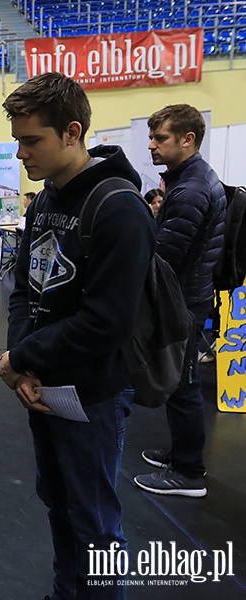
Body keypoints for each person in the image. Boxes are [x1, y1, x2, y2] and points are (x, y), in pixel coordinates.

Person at [0, 72, 155, 599]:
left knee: (95, 523)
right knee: (58, 504)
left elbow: (106, 322)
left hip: (93, 393)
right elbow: (24, 288)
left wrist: (20, 356)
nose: (21, 153)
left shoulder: (118, 208)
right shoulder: (45, 200)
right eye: (18, 139)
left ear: (71, 132)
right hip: (44, 387)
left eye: (31, 139)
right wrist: (24, 364)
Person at [134, 105, 226, 498]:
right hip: (190, 297)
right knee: (178, 381)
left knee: (183, 383)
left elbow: (164, 255)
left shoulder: (190, 190)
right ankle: (180, 454)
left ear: (188, 139)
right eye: (152, 137)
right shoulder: (193, 179)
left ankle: (189, 472)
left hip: (183, 302)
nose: (152, 145)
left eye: (161, 139)